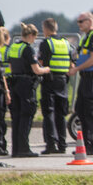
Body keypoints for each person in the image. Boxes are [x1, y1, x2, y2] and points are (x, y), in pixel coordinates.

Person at [6, 23, 50, 157]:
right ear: (30, 35)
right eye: (34, 38)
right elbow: (36, 69)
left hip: (14, 83)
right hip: (26, 85)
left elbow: (10, 66)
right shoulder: (28, 49)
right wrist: (47, 69)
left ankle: (16, 149)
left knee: (17, 117)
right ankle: (24, 149)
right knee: (27, 116)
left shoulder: (13, 46)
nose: (34, 40)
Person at [67, 12, 93, 156]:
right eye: (78, 21)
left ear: (89, 21)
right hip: (85, 78)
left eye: (81, 21)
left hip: (92, 79)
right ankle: (85, 144)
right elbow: (78, 56)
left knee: (91, 112)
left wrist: (76, 68)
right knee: (81, 110)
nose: (79, 24)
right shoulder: (85, 38)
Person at [37, 18, 72, 154]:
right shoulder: (65, 43)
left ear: (45, 29)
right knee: (61, 114)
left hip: (49, 80)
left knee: (49, 113)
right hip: (63, 81)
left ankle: (51, 144)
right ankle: (62, 144)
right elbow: (71, 61)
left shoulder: (46, 43)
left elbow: (41, 61)